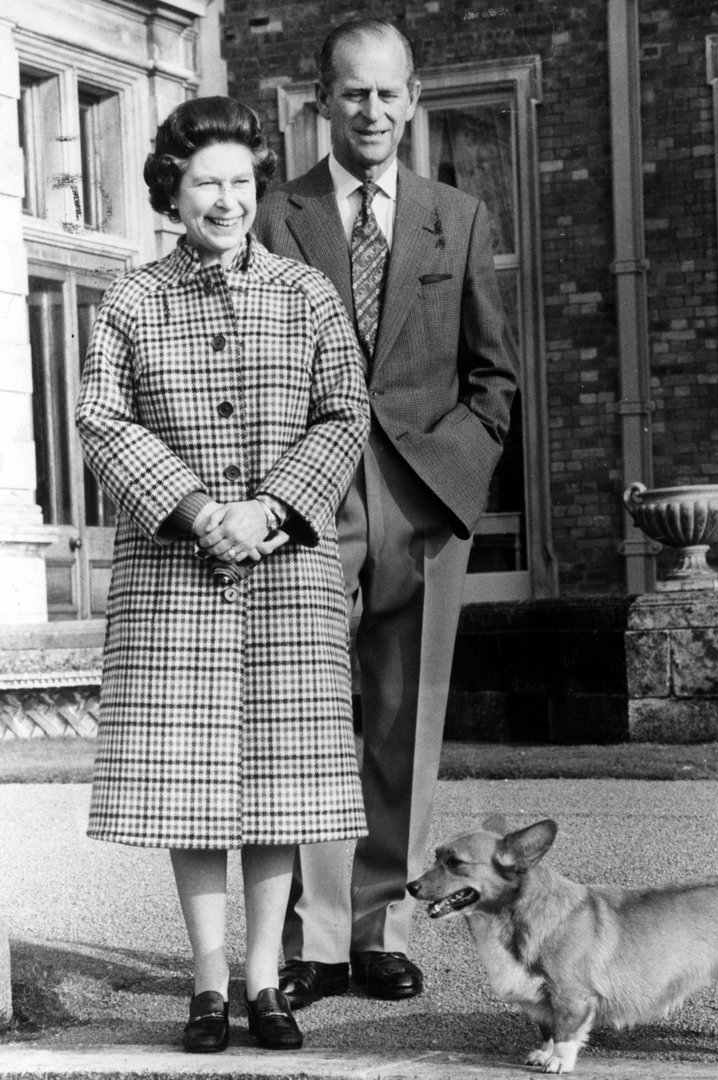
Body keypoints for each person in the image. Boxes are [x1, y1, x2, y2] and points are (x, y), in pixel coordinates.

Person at [76, 96, 370, 1053]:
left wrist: (272, 507)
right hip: (173, 571)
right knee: (188, 782)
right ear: (174, 186)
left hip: (287, 570)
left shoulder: (308, 295)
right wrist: (199, 509)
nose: (228, 199)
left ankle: (264, 983)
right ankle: (208, 985)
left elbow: (344, 414)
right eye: (209, 181)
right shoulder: (130, 299)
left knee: (281, 782)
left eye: (243, 181)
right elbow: (101, 419)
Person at [255, 18, 517, 1005]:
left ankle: (381, 931)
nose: (370, 111)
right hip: (311, 501)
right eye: (351, 93)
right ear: (322, 102)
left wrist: (452, 485)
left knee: (406, 718)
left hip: (423, 500)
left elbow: (493, 380)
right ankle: (317, 943)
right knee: (316, 722)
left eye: (387, 93)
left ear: (414, 100)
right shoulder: (278, 216)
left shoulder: (459, 215)